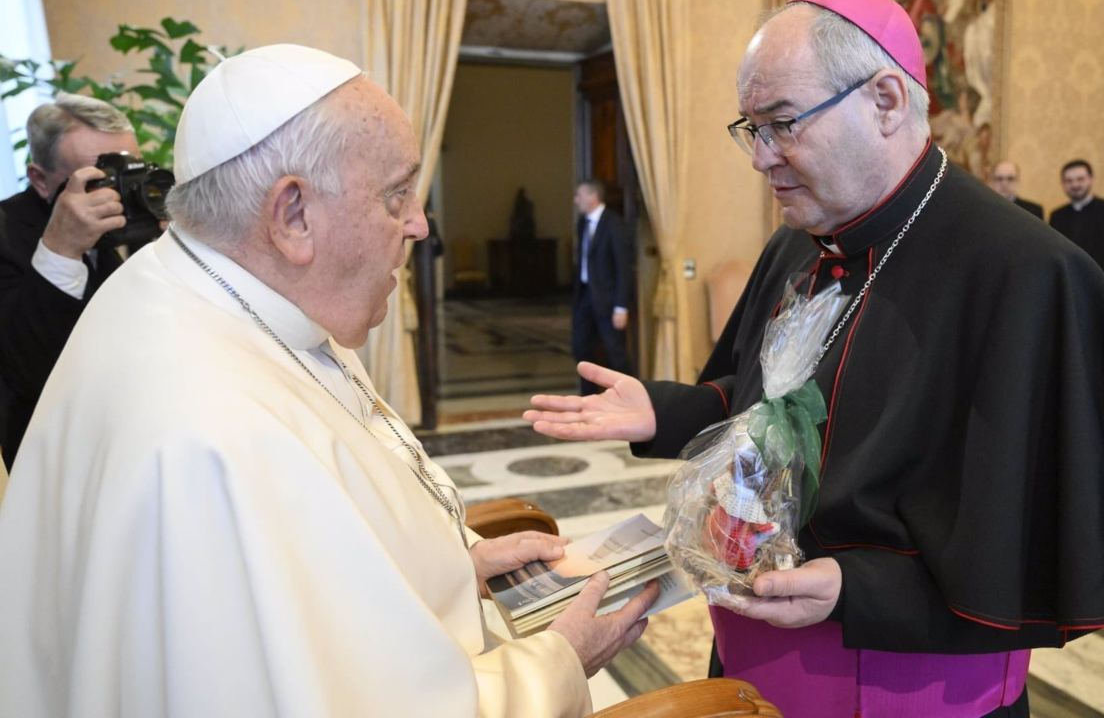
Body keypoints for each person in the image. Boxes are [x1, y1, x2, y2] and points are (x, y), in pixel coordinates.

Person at [525, 0, 1104, 717]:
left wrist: (861, 587)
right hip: (755, 655)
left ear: (883, 101)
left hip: (912, 684)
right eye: (748, 129)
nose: (759, 158)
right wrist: (662, 410)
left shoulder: (1028, 274)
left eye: (781, 125)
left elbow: (1036, 530)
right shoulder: (797, 243)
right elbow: (760, 404)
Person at [0, 45, 658, 717]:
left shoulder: (199, 291)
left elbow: (322, 577)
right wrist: (558, 662)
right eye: (396, 193)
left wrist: (454, 569)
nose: (419, 224)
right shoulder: (210, 438)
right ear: (293, 215)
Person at [0, 94, 138, 469]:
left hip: (138, 440)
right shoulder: (6, 232)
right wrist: (62, 248)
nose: (118, 194)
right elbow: (25, 367)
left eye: (129, 172)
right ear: (41, 180)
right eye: (100, 179)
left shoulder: (139, 222)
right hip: (57, 457)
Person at [1049, 159, 1104, 304]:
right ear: (1063, 185)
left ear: (1091, 179)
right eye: (1069, 181)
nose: (1075, 185)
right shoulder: (1057, 216)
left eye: (1080, 179)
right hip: (1070, 293)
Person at [572, 180, 631, 394]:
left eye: (579, 195)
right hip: (586, 297)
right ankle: (587, 397)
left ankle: (627, 397)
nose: (576, 200)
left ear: (592, 196)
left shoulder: (614, 224)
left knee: (616, 353)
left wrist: (621, 306)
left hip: (608, 300)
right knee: (581, 347)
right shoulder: (582, 223)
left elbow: (623, 268)